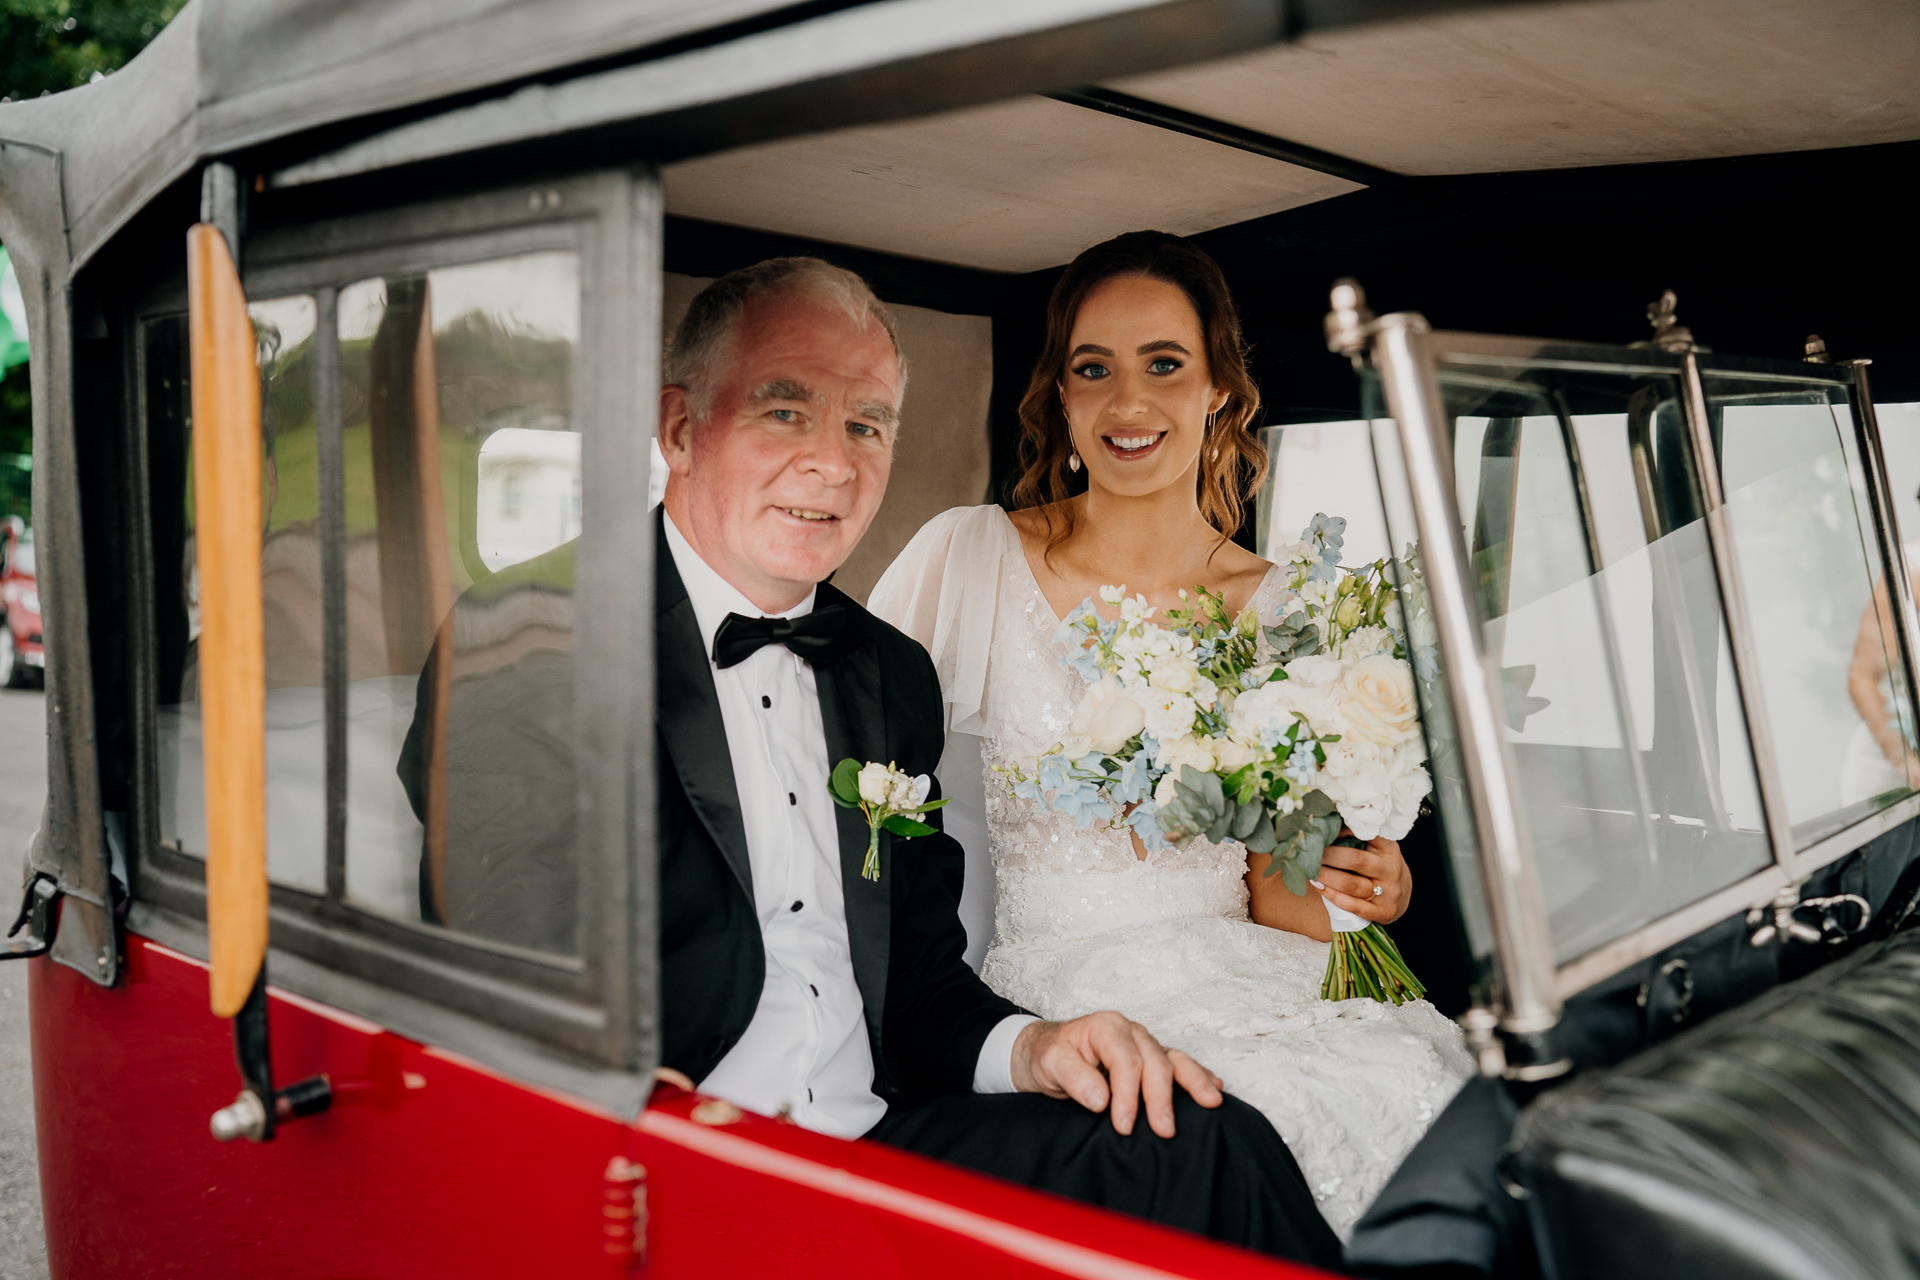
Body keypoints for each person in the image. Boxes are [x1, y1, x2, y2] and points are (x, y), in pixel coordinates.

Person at [651, 256, 1343, 1266]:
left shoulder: (883, 672)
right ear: (680, 427)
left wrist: (1036, 1045)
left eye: (867, 425)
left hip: (877, 1132)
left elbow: (921, 978)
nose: (835, 466)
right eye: (786, 411)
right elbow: (506, 1001)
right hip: (675, 1165)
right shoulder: (539, 652)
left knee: (1210, 1143)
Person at [869, 231, 1473, 1237]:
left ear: (1219, 393)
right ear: (1061, 399)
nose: (1127, 403)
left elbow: (1287, 899)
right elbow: (859, 784)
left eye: (1164, 365)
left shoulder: (1286, 605)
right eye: (1092, 369)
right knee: (1215, 1128)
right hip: (1057, 975)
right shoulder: (967, 555)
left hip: (1248, 967)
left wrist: (1364, 892)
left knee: (1413, 1082)